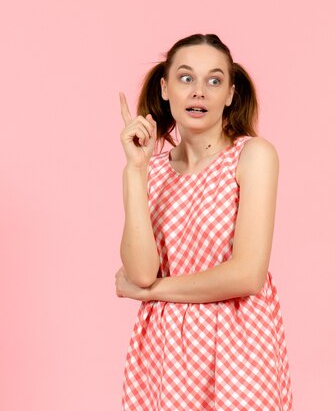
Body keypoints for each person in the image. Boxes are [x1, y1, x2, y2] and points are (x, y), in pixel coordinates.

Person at [115, 33, 293, 411]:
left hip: (239, 347)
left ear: (230, 93)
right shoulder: (153, 171)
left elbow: (247, 275)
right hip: (165, 353)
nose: (199, 92)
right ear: (164, 88)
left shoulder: (252, 155)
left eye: (214, 80)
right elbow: (141, 271)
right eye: (185, 78)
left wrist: (150, 293)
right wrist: (135, 170)